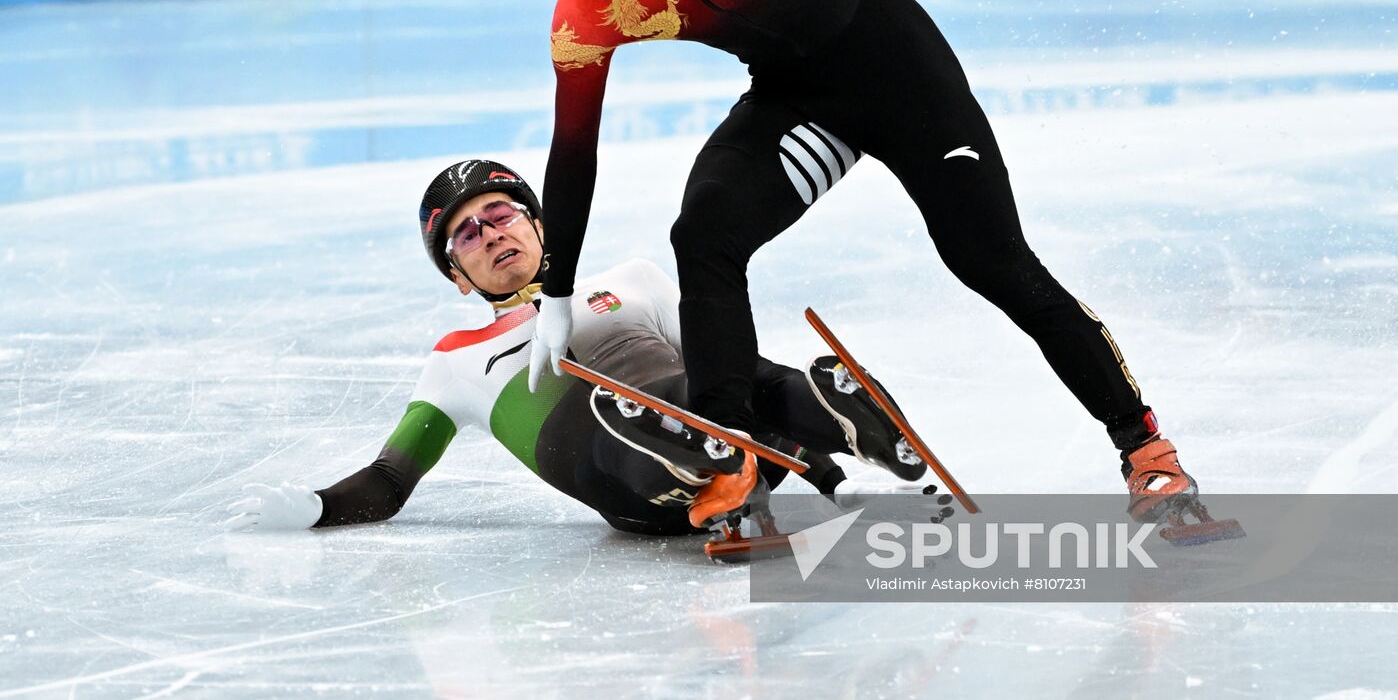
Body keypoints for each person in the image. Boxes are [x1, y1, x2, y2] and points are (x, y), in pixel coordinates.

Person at [507, 0, 1200, 527]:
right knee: (704, 232)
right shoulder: (582, 17)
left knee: (993, 263)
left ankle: (1145, 449)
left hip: (902, 76)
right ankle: (729, 451)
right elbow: (574, 150)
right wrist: (555, 291)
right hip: (798, 99)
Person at [226, 159, 926, 537]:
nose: (492, 234)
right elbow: (389, 478)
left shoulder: (630, 280)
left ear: (537, 223)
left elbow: (746, 374)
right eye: (467, 235)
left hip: (735, 436)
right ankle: (699, 457)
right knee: (609, 412)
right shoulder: (452, 363)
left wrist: (820, 471)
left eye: (500, 214)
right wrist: (317, 505)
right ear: (456, 276)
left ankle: (849, 434)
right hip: (632, 494)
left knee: (738, 378)